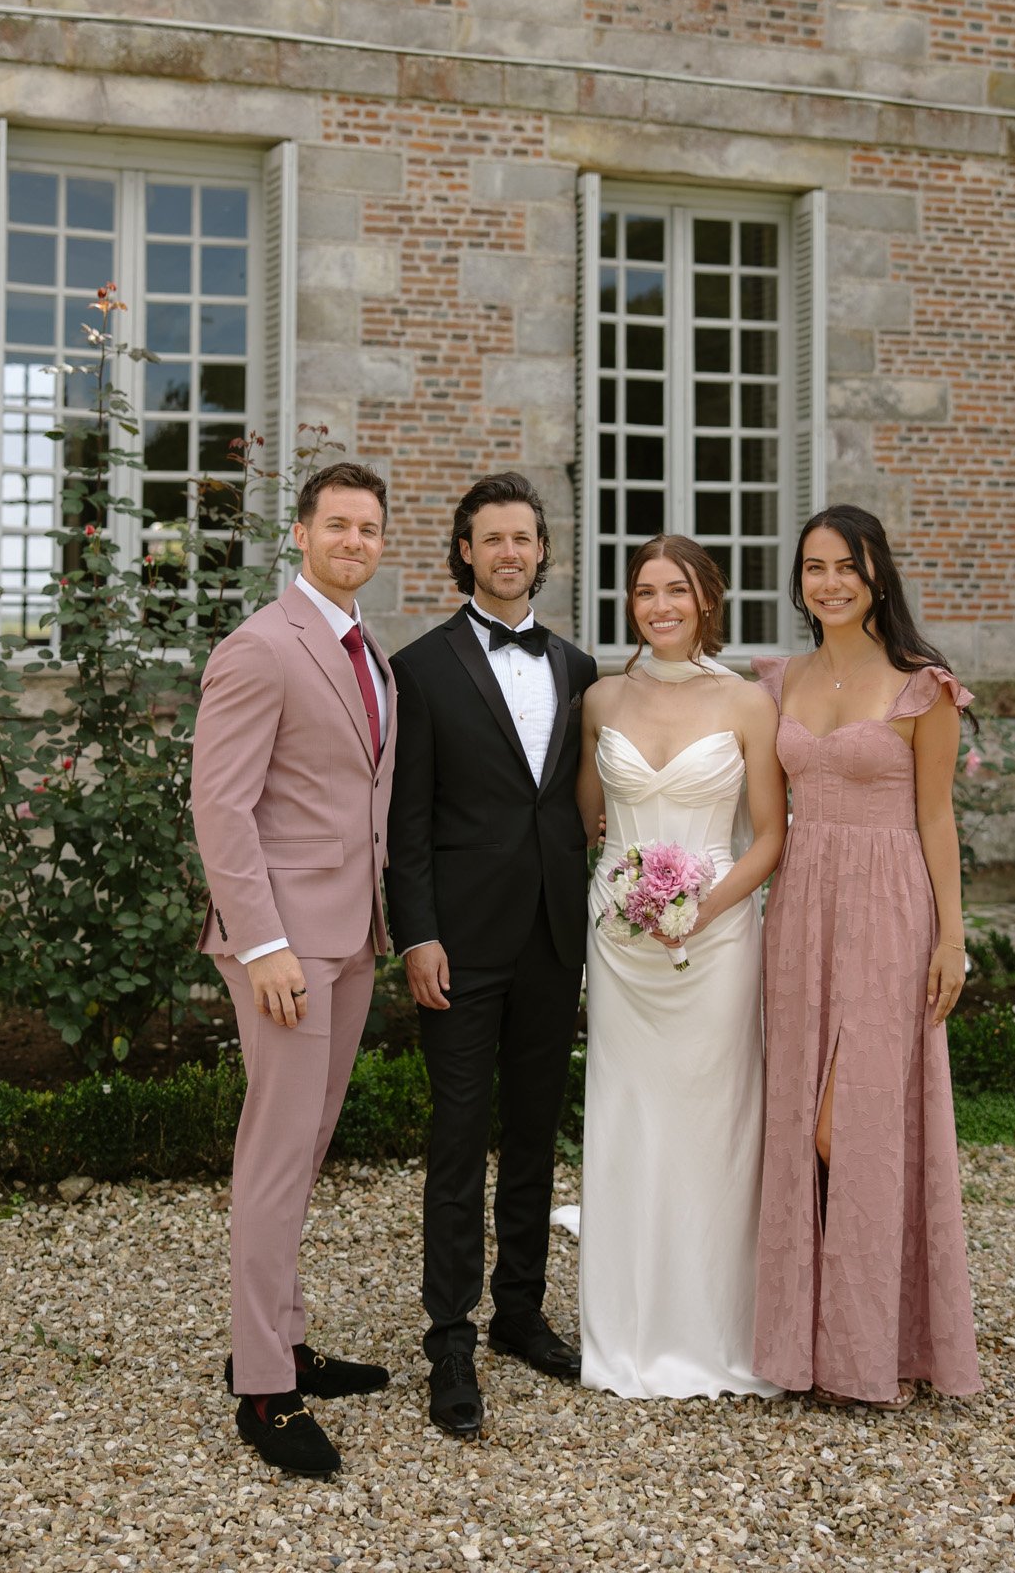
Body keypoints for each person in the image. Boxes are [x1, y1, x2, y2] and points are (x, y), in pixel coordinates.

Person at [191, 461, 399, 1479]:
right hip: (284, 945)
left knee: (305, 1148)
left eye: (369, 527)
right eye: (338, 525)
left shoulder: (368, 651)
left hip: (350, 934)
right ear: (302, 535)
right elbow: (220, 807)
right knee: (275, 1156)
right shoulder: (261, 648)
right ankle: (264, 1391)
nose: (354, 540)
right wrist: (264, 941)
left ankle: (279, 1334)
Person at [752, 504, 981, 1409]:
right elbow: (759, 814)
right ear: (799, 582)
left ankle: (869, 1344)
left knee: (853, 1124)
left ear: (876, 574)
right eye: (813, 568)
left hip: (891, 910)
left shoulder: (922, 686)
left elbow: (935, 817)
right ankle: (810, 1344)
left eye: (845, 566)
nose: (829, 582)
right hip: (801, 908)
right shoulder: (777, 682)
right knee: (798, 1116)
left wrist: (952, 937)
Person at [385, 473, 597, 1438]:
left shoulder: (581, 668)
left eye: (524, 538)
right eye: (492, 540)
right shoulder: (417, 669)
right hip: (459, 948)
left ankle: (519, 1312)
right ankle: (449, 1339)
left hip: (555, 938)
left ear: (542, 552)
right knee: (458, 1141)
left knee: (533, 1133)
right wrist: (417, 933)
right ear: (464, 552)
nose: (510, 553)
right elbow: (407, 822)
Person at [575, 536, 787, 1399]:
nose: (658, 606)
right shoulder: (599, 698)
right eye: (642, 592)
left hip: (718, 937)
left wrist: (698, 905)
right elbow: (590, 821)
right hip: (621, 946)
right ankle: (623, 1331)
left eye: (675, 591)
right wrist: (624, 896)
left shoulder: (748, 703)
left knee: (717, 1126)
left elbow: (770, 835)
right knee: (628, 1120)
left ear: (707, 599)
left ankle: (718, 1329)